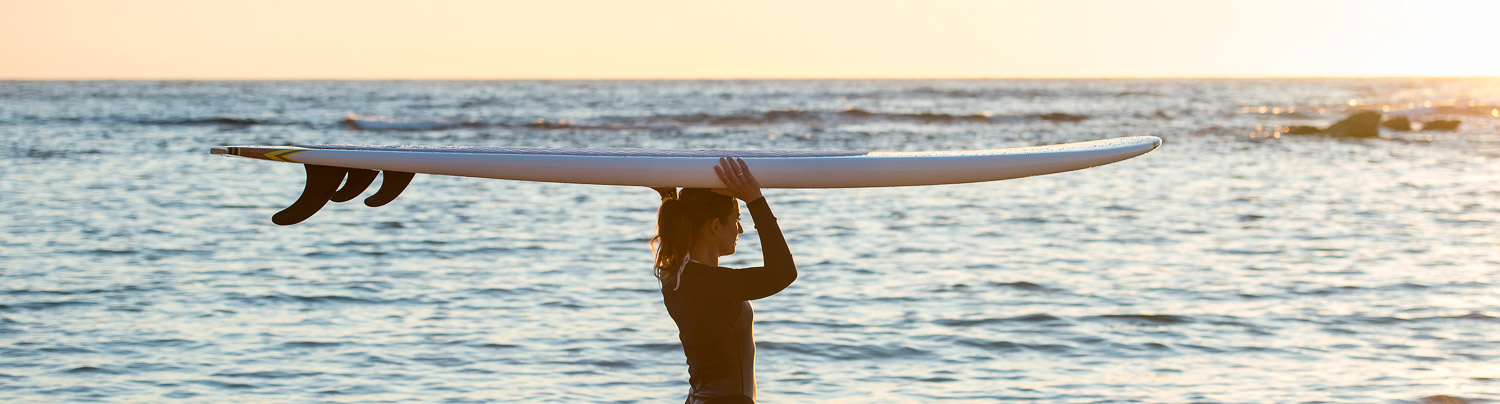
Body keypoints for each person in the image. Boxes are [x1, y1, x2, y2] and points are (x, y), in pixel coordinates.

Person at [652, 157, 798, 404]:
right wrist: (755, 200)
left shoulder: (676, 277)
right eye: (736, 219)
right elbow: (783, 272)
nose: (740, 230)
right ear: (715, 226)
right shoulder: (708, 284)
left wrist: (670, 197)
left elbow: (678, 225)